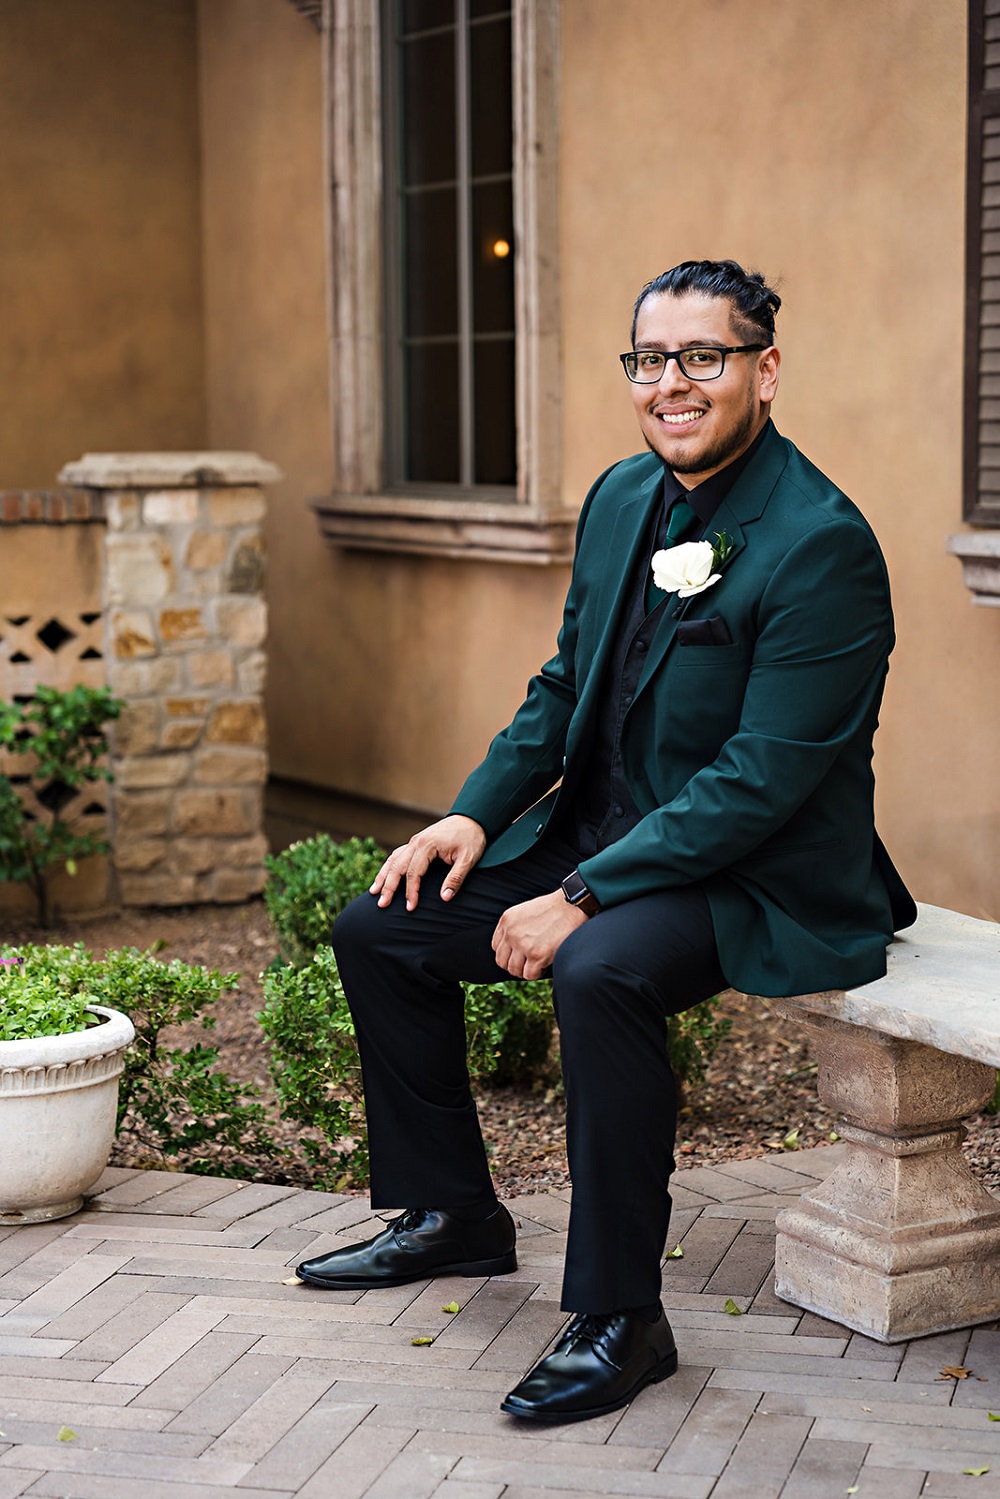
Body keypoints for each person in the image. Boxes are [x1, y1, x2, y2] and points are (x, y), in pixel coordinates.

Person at [295, 259, 915, 1424]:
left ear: (764, 371)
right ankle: (452, 1214)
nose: (670, 382)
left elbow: (760, 780)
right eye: (648, 358)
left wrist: (580, 893)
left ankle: (622, 1316)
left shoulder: (821, 543)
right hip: (603, 838)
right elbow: (564, 685)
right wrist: (474, 812)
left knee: (599, 969)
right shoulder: (623, 496)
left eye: (702, 356)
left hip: (754, 874)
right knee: (382, 925)